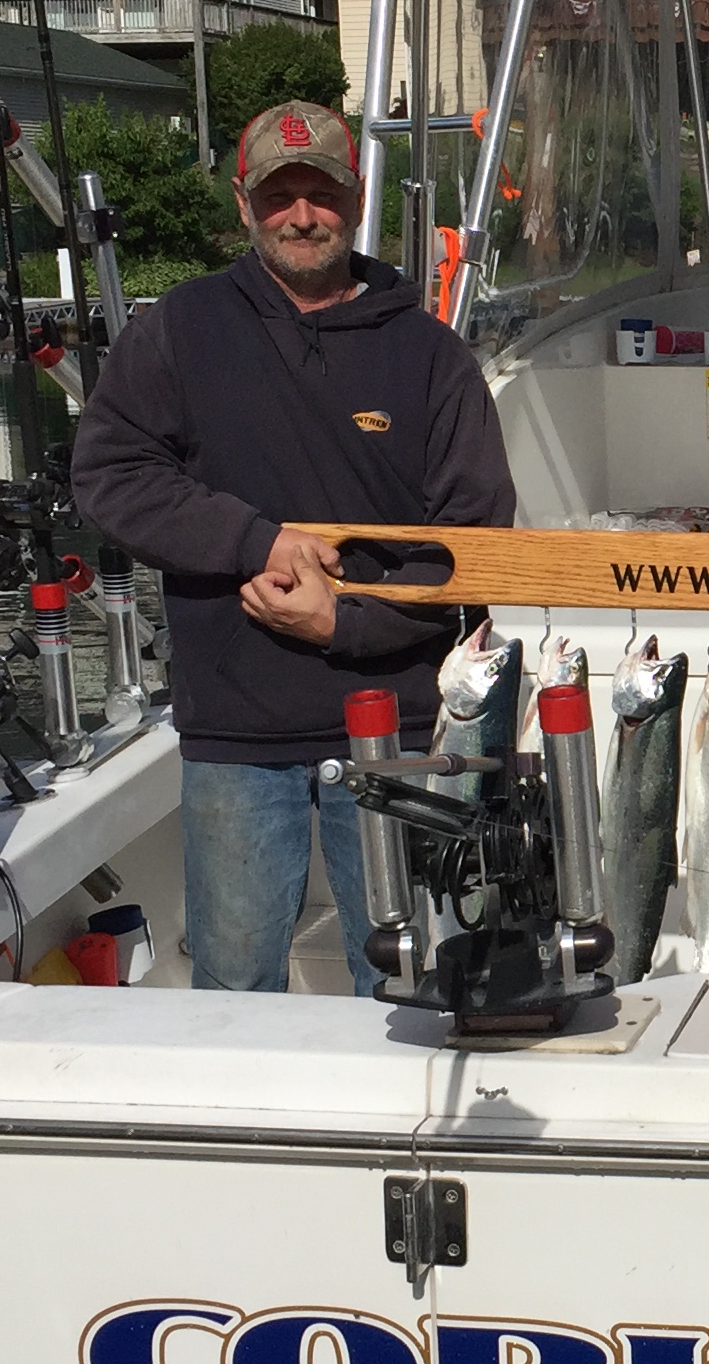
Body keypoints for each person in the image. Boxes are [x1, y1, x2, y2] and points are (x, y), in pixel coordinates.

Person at [74, 99, 515, 994]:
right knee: (233, 989)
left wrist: (342, 623)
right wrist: (257, 539)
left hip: (398, 727)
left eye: (323, 193)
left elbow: (472, 544)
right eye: (281, 194)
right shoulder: (179, 330)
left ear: (354, 204)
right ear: (245, 204)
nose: (303, 214)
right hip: (233, 733)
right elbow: (110, 474)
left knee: (412, 984)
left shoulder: (433, 357)